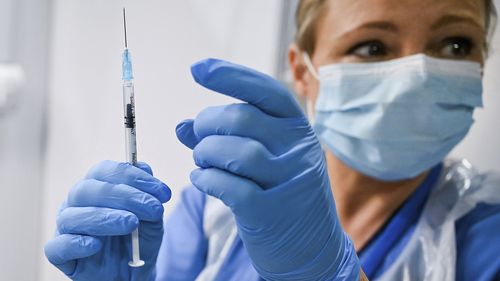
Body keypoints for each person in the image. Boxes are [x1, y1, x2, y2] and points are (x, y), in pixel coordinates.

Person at [44, 0, 500, 280]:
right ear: (302, 70)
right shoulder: (214, 211)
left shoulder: (487, 239)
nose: (416, 76)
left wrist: (324, 276)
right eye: (373, 47)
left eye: (455, 45)